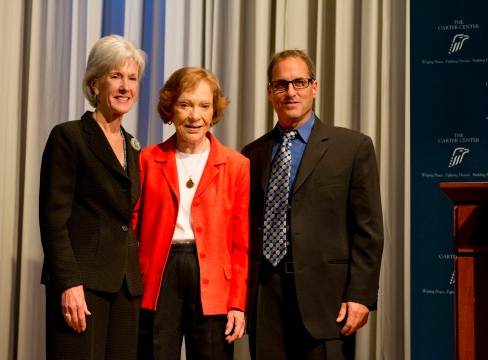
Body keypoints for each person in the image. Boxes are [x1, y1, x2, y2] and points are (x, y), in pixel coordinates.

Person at [242, 49, 384, 359]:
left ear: (314, 87)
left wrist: (360, 296)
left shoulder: (353, 148)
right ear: (269, 91)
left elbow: (369, 231)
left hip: (328, 303)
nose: (290, 92)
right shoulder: (251, 154)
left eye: (299, 82)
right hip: (266, 300)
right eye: (281, 84)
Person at [39, 34, 146, 360]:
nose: (125, 86)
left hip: (126, 287)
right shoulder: (69, 136)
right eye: (116, 76)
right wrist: (69, 284)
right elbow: (54, 219)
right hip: (82, 286)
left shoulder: (132, 145)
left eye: (132, 78)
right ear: (94, 84)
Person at [133, 67, 250, 360]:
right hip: (159, 276)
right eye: (185, 104)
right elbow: (130, 228)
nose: (194, 115)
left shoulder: (237, 165)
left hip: (214, 283)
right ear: (170, 109)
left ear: (214, 112)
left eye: (204, 105)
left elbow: (241, 245)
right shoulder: (147, 159)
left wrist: (237, 303)